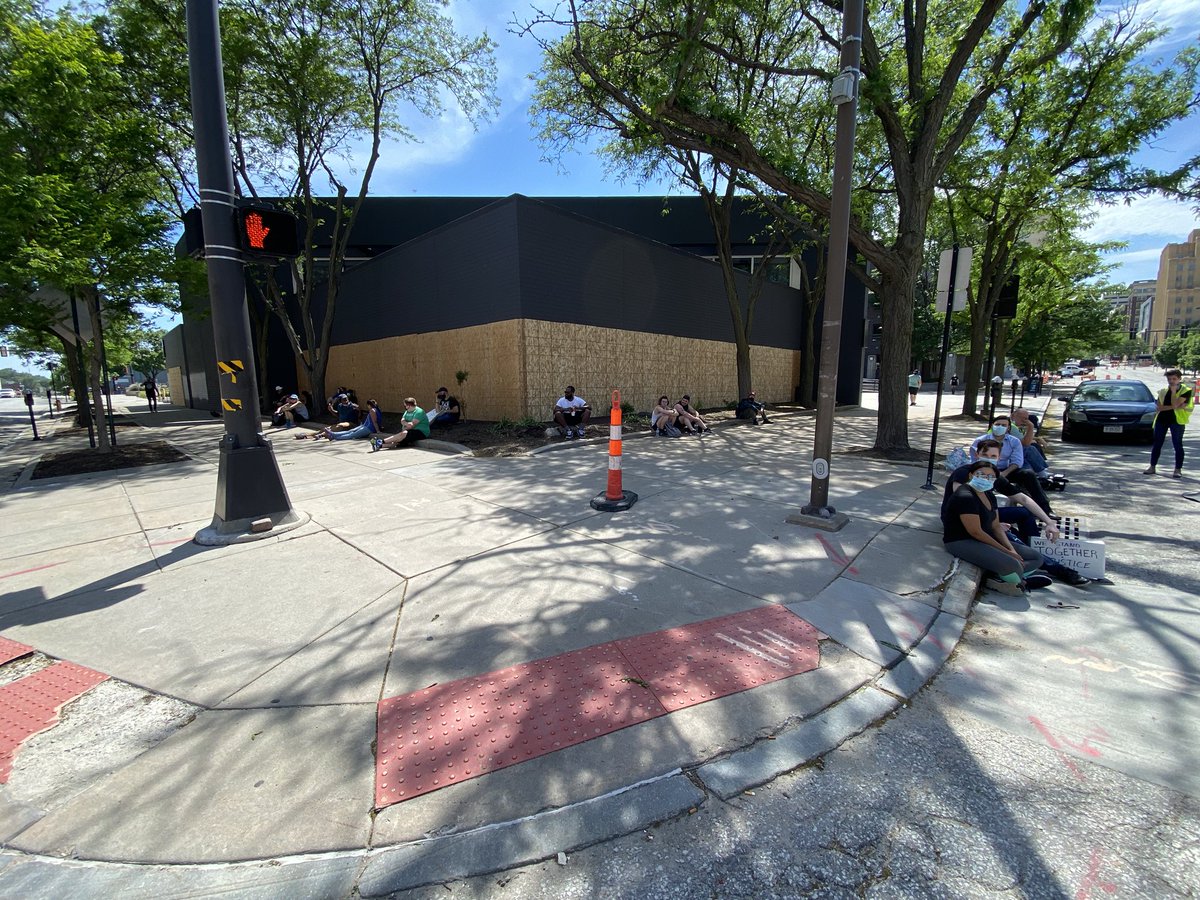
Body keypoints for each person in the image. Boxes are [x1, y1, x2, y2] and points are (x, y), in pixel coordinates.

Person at [946, 440, 1087, 587]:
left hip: (984, 521)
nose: (989, 458)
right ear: (977, 455)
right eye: (985, 454)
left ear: (999, 458)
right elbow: (970, 519)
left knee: (1026, 523)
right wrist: (1007, 550)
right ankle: (1030, 578)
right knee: (1012, 549)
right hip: (966, 527)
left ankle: (1015, 569)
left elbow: (1022, 499)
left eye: (993, 455)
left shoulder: (990, 484)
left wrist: (1049, 522)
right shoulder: (965, 483)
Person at [942, 459, 1053, 596]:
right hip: (962, 540)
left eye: (990, 477)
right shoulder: (965, 496)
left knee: (1036, 558)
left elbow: (995, 526)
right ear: (971, 476)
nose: (985, 479)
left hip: (985, 537)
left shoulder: (988, 494)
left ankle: (1011, 579)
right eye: (981, 475)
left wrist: (1011, 549)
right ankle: (1013, 581)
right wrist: (1007, 553)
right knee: (1014, 565)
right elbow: (975, 532)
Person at [970, 413, 1055, 514]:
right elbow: (974, 461)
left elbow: (1017, 461)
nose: (1000, 427)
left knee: (1028, 474)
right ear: (992, 426)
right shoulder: (980, 440)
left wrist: (1004, 474)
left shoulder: (1014, 441)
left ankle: (1045, 508)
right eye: (997, 424)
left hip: (1005, 471)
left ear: (1008, 428)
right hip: (984, 471)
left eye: (1003, 425)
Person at [1144, 368, 1193, 478]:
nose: (1171, 381)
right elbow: (1159, 407)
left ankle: (1177, 469)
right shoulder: (1163, 391)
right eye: (1169, 379)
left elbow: (1174, 403)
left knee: (1177, 445)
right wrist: (1174, 406)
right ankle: (1152, 466)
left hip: (1177, 421)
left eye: (1174, 379)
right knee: (1157, 444)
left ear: (1179, 379)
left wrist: (1174, 392)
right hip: (1162, 420)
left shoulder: (1186, 391)